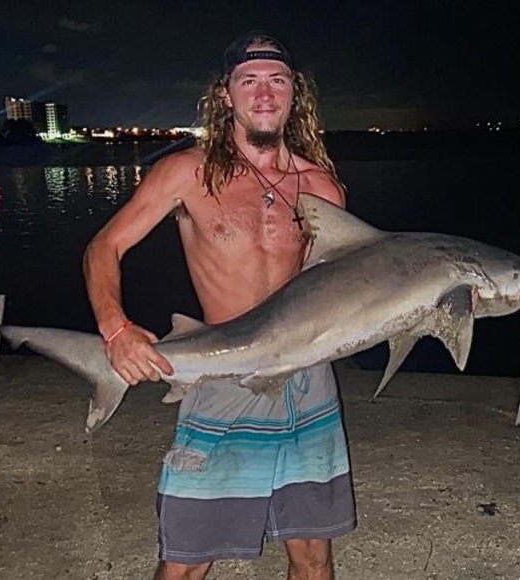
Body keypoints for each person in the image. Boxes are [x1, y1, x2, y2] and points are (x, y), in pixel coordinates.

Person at [83, 31, 356, 580]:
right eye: (248, 81)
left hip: (308, 381)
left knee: (314, 556)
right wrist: (116, 328)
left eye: (277, 80)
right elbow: (104, 247)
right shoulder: (188, 172)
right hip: (222, 378)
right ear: (225, 95)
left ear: (295, 93)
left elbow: (338, 286)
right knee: (186, 559)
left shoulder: (323, 189)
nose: (264, 93)